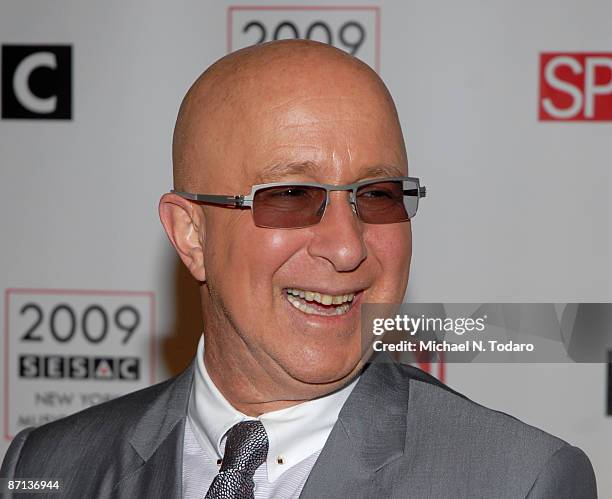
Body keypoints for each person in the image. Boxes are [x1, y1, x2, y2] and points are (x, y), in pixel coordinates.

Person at [1, 40, 597, 498]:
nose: (346, 247)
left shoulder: (515, 482)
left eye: (380, 194)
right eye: (290, 195)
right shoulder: (46, 467)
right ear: (191, 233)